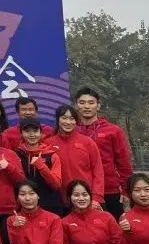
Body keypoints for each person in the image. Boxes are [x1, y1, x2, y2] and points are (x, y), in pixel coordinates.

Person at [74, 87, 134, 220]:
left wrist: (126, 191)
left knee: (115, 227)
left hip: (109, 190)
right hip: (78, 191)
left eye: (91, 102)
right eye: (82, 102)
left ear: (98, 106)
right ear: (76, 105)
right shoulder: (71, 130)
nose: (86, 106)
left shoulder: (113, 131)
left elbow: (124, 163)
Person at [48, 105, 105, 206]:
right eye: (64, 118)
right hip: (59, 201)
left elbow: (98, 171)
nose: (68, 122)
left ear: (76, 121)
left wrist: (96, 197)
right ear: (57, 119)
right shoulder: (48, 144)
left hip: (85, 199)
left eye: (72, 118)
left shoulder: (87, 142)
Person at [15, 118, 65, 216]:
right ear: (21, 134)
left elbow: (56, 185)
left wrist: (41, 166)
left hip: (50, 206)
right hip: (26, 206)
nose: (32, 134)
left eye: (35, 131)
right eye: (27, 131)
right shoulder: (16, 154)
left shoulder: (52, 155)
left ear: (41, 133)